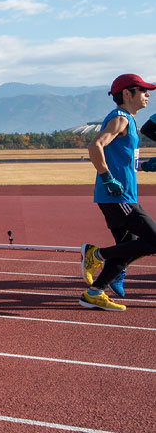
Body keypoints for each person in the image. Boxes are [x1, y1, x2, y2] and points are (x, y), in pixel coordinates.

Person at [80, 74, 156, 311]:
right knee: (153, 240)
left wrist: (144, 166)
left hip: (122, 196)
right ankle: (96, 254)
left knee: (127, 247)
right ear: (127, 94)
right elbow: (95, 145)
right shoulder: (120, 118)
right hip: (117, 197)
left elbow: (125, 160)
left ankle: (94, 292)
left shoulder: (129, 121)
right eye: (142, 90)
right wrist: (107, 178)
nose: (148, 95)